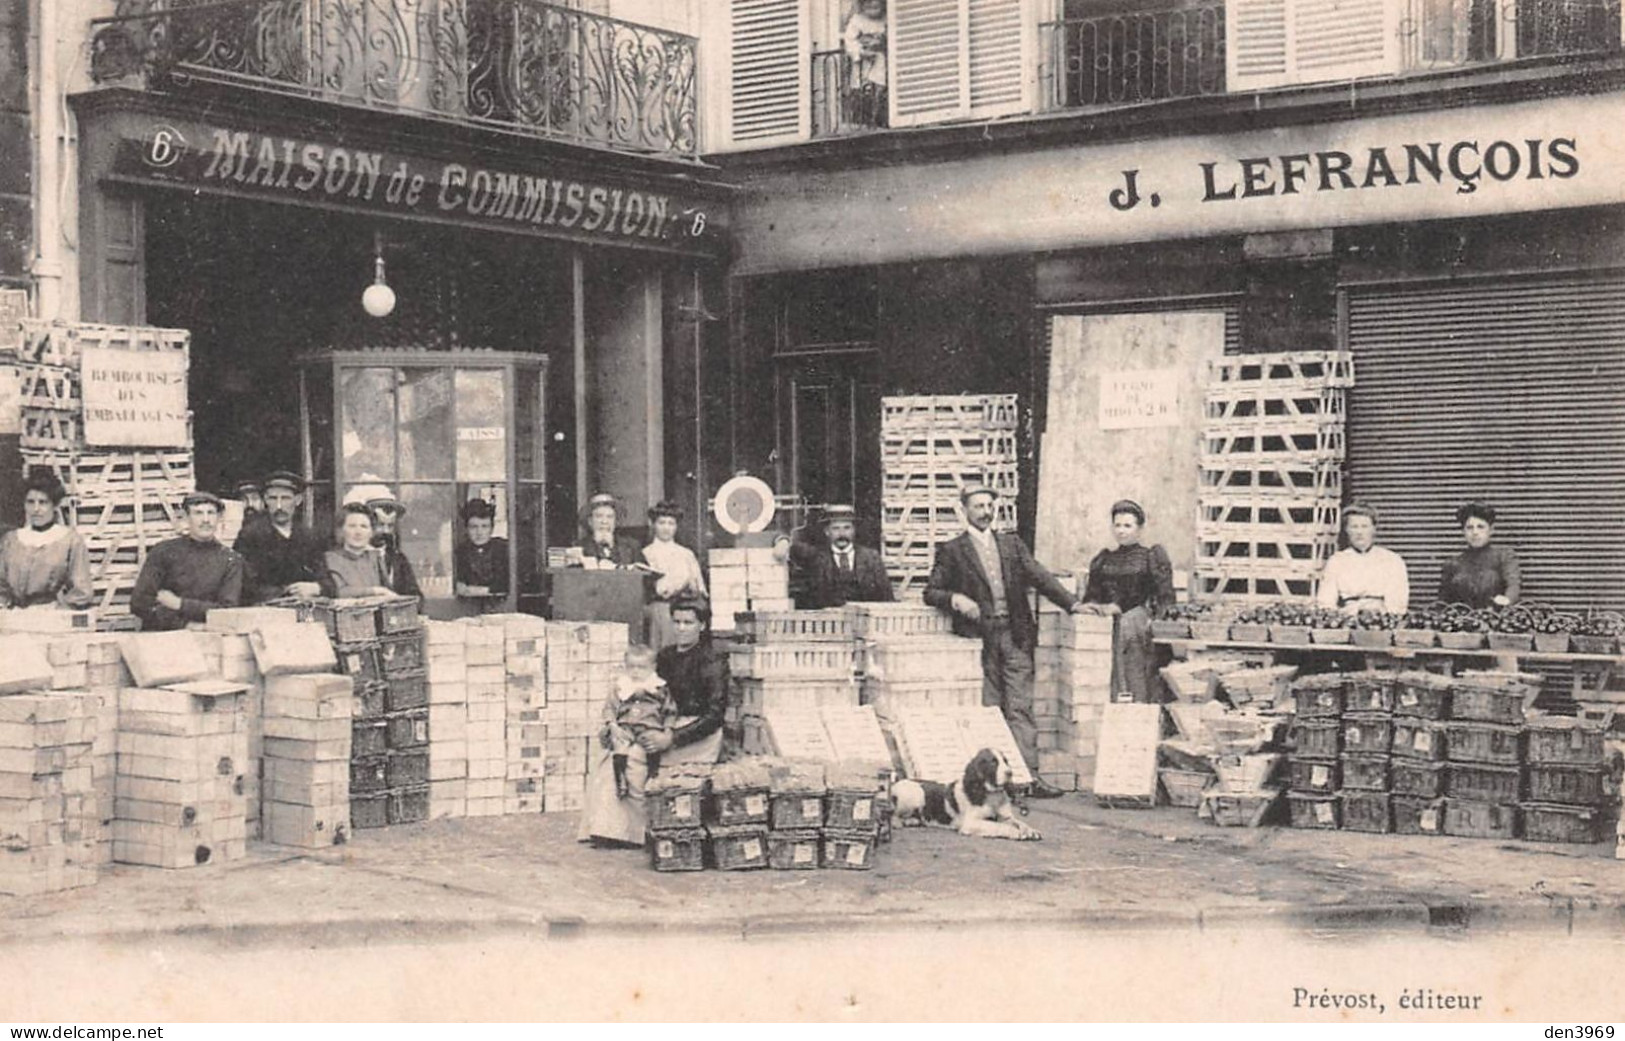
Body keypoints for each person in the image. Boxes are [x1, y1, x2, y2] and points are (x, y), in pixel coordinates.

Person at [924, 487, 1088, 798]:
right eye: (978, 506)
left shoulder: (1011, 544)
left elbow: (1040, 576)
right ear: (964, 511)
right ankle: (991, 782)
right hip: (979, 641)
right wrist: (955, 598)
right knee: (989, 709)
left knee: (1021, 708)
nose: (985, 511)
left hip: (1015, 636)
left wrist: (1073, 604)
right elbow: (931, 591)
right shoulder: (952, 550)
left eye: (989, 506)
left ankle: (1027, 779)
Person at [578, 598, 727, 846]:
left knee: (635, 757)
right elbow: (644, 695)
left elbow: (714, 715)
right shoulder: (665, 656)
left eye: (688, 623)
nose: (681, 628)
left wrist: (671, 737)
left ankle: (635, 832)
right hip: (660, 723)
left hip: (695, 733)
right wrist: (619, 724)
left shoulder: (712, 661)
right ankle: (607, 828)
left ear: (701, 625)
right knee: (611, 751)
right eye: (677, 622)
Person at [1080, 500, 1176, 704]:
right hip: (1109, 625)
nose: (1121, 531)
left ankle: (1139, 711)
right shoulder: (1104, 559)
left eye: (1127, 526)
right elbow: (1093, 594)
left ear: (1139, 529)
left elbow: (1164, 597)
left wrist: (1136, 614)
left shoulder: (1150, 557)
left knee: (1136, 672)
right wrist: (1096, 606)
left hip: (1138, 626)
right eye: (1117, 525)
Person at [131, 492, 244, 631]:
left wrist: (180, 604)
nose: (206, 520)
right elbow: (140, 603)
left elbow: (227, 610)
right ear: (186, 517)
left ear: (219, 518)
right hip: (163, 637)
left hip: (208, 638)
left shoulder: (230, 560)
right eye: (198, 513)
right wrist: (187, 625)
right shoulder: (164, 551)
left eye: (211, 513)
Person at [233, 470, 332, 604]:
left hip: (306, 608)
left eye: (285, 498)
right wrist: (287, 591)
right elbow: (245, 584)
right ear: (265, 500)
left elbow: (326, 579)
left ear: (298, 500)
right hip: (267, 610)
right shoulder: (251, 536)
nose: (279, 506)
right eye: (273, 498)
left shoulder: (308, 536)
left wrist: (317, 587)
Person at [0, 471, 93, 610]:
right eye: (30, 502)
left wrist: (55, 607)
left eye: (43, 502)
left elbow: (82, 591)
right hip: (15, 617)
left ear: (55, 505)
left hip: (52, 618)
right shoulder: (11, 540)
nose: (36, 509)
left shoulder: (70, 541)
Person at [600, 644, 676, 799]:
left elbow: (669, 710)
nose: (635, 672)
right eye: (631, 667)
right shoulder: (621, 687)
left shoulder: (658, 687)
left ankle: (652, 777)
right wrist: (613, 725)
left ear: (652, 667)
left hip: (650, 726)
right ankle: (620, 780)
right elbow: (609, 707)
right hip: (625, 727)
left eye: (641, 668)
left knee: (652, 745)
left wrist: (667, 729)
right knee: (620, 744)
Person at [790, 504, 894, 610]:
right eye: (836, 528)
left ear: (854, 530)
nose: (842, 534)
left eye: (847, 528)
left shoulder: (871, 558)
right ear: (827, 532)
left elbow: (886, 596)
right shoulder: (816, 559)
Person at [1316, 503, 1410, 614]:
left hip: (1383, 620)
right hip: (1348, 618)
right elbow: (1326, 602)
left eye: (1364, 526)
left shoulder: (1392, 560)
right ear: (1347, 530)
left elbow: (1398, 602)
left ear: (1374, 529)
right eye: (1354, 527)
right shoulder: (1337, 561)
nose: (1359, 532)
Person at [640, 500, 707, 651]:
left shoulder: (686, 554)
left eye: (671, 523)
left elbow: (698, 587)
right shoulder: (645, 553)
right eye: (661, 523)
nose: (666, 528)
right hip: (657, 609)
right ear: (653, 525)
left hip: (683, 609)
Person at [344, 479, 421, 598]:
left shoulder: (398, 559)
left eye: (389, 526)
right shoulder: (349, 558)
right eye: (380, 525)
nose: (385, 531)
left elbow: (416, 597)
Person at [1438, 501, 1521, 608]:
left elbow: (1513, 584)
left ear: (1491, 530)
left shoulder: (1504, 557)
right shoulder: (1453, 563)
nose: (1475, 532)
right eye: (1469, 528)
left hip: (1496, 618)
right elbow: (1443, 601)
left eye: (1480, 527)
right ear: (1463, 531)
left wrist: (1507, 599)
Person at [325, 503, 394, 598]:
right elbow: (336, 591)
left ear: (371, 532)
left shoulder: (375, 558)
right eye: (352, 526)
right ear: (341, 530)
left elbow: (389, 592)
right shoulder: (330, 559)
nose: (358, 532)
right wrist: (375, 591)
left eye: (364, 526)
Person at [841, 0, 888, 126]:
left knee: (879, 87)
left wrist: (882, 43)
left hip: (880, 59)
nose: (872, 4)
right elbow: (849, 41)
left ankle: (878, 116)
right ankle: (863, 119)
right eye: (868, 2)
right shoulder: (857, 20)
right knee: (863, 88)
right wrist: (861, 52)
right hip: (864, 60)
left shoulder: (887, 19)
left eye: (876, 2)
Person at [453, 498, 509, 601]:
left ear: (492, 528)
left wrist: (483, 591)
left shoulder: (503, 549)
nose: (479, 532)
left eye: (484, 526)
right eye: (474, 527)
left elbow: (509, 583)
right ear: (466, 529)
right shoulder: (461, 552)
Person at [578, 493, 643, 568]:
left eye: (610, 517)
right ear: (590, 521)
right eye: (599, 516)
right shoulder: (580, 547)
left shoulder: (632, 547)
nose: (604, 522)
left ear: (615, 522)